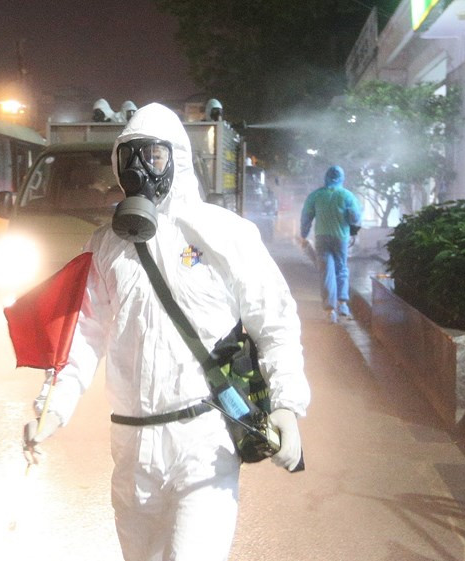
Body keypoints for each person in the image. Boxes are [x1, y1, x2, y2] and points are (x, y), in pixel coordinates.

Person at [21, 103, 310, 561]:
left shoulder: (224, 235)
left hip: (203, 440)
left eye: (153, 157)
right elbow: (82, 335)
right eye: (128, 157)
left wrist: (288, 406)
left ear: (177, 158)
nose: (140, 170)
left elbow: (274, 322)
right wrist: (52, 409)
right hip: (132, 447)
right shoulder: (105, 246)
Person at [299, 165, 362, 323]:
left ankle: (330, 311)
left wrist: (304, 235)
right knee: (341, 269)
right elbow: (355, 218)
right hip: (341, 238)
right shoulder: (347, 196)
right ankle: (342, 304)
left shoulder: (316, 196)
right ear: (342, 178)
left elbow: (306, 216)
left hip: (321, 237)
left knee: (326, 272)